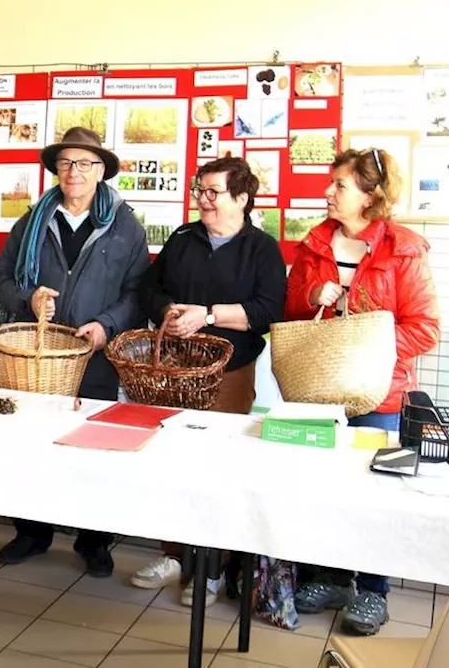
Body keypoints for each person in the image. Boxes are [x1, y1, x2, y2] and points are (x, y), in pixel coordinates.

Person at [286, 148, 440, 637]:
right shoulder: (314, 244)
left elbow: (426, 328)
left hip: (382, 397)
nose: (328, 193)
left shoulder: (405, 249)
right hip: (318, 392)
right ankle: (327, 578)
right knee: (318, 488)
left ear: (371, 196)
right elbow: (289, 310)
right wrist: (312, 297)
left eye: (340, 186)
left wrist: (365, 341)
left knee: (375, 493)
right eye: (331, 184)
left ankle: (373, 590)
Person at [0, 127, 149, 577]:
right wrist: (28, 300)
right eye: (65, 163)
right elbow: (3, 278)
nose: (73, 172)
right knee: (31, 446)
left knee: (94, 450)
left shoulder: (124, 225)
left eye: (84, 163)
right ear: (55, 169)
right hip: (37, 358)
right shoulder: (32, 221)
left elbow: (139, 291)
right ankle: (31, 532)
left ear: (101, 170)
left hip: (95, 355)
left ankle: (94, 541)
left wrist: (108, 325)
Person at [132, 157, 286, 602]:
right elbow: (150, 287)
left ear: (241, 198)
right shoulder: (183, 238)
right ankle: (175, 555)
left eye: (213, 192)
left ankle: (211, 570)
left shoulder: (261, 248)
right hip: (176, 373)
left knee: (218, 471)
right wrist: (167, 311)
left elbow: (267, 311)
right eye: (200, 190)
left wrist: (210, 316)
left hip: (229, 374)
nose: (203, 199)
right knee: (173, 465)